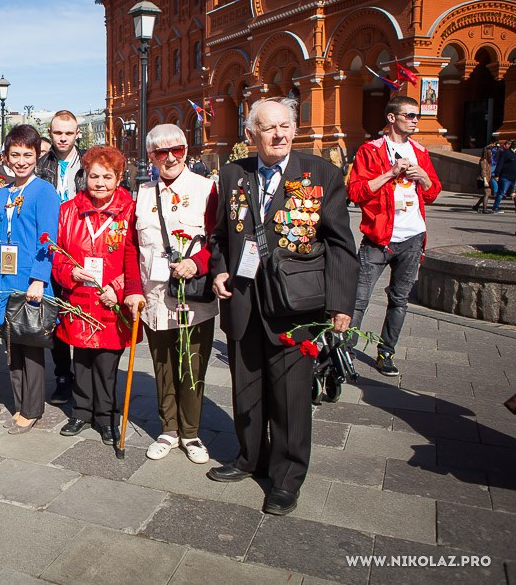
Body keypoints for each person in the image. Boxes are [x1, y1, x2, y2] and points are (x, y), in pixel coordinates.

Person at [209, 98, 358, 515]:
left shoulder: (321, 174)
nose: (278, 135)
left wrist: (340, 304)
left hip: (297, 305)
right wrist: (219, 270)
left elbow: (341, 247)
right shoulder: (233, 174)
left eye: (285, 126)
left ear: (294, 129)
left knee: (291, 396)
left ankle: (287, 477)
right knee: (247, 388)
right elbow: (220, 235)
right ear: (250, 133)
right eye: (268, 127)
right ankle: (250, 457)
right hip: (244, 301)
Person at [126, 125, 219, 464]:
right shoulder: (143, 193)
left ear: (186, 150)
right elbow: (130, 247)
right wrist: (133, 290)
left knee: (192, 364)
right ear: (151, 157)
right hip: (155, 295)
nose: (170, 158)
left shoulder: (207, 189)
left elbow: (218, 240)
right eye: (160, 153)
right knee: (163, 363)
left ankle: (191, 433)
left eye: (176, 150)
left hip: (192, 295)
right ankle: (168, 429)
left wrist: (198, 262)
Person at [53, 146, 142, 445]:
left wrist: (118, 288)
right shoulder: (69, 211)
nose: (100, 183)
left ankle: (105, 417)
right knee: (81, 360)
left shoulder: (131, 211)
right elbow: (58, 255)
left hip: (110, 302)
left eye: (107, 176)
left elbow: (137, 258)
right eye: (94, 176)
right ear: (85, 177)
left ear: (118, 178)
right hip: (79, 299)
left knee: (106, 363)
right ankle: (80, 411)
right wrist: (70, 271)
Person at [347, 96, 442, 376]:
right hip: (378, 238)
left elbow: (433, 191)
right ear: (392, 118)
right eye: (410, 115)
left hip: (412, 238)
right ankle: (344, 352)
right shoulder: (370, 151)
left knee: (399, 300)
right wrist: (391, 173)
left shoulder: (421, 151)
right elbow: (356, 193)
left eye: (417, 116)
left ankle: (386, 353)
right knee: (358, 299)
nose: (415, 120)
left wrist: (423, 176)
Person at [0, 125, 60, 434]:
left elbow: (48, 240)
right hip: (4, 282)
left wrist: (39, 280)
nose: (21, 161)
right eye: (15, 154)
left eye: (27, 154)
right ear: (5, 156)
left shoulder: (44, 191)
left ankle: (31, 408)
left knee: (30, 346)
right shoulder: (3, 192)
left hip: (29, 281)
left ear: (37, 155)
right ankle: (19, 403)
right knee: (11, 345)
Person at [36, 110, 86, 406]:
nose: (63, 138)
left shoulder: (89, 164)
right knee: (53, 313)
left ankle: (83, 375)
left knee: (80, 309)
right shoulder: (42, 165)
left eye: (68, 133)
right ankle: (63, 376)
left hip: (81, 243)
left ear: (77, 133)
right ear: (51, 133)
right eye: (57, 133)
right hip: (51, 244)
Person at [492, 140, 516, 214]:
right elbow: (500, 164)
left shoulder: (514, 154)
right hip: (505, 177)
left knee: (514, 193)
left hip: (513, 178)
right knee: (501, 193)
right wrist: (497, 174)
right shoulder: (506, 153)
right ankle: (495, 207)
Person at [472, 144, 497, 214]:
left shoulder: (488, 161)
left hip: (486, 179)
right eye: (490, 152)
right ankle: (484, 209)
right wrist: (485, 181)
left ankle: (476, 206)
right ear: (487, 153)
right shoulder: (483, 161)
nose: (491, 153)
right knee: (487, 193)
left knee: (487, 193)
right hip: (483, 179)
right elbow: (483, 171)